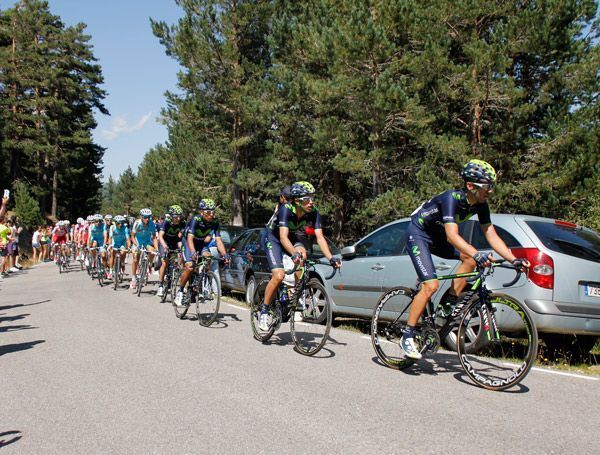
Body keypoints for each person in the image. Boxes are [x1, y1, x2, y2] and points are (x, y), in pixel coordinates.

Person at [401, 159, 529, 359]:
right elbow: (452, 236)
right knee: (431, 286)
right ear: (470, 186)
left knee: (470, 260)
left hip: (437, 238)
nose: (490, 191)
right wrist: (477, 253)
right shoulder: (451, 199)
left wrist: (513, 259)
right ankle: (407, 335)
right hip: (418, 234)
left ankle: (449, 302)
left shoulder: (480, 205)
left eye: (492, 186)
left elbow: (492, 235)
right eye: (487, 186)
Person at [259, 181, 341, 330]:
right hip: (273, 238)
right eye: (306, 199)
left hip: (292, 237)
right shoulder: (286, 209)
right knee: (279, 275)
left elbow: (320, 237)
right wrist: (293, 253)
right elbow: (282, 237)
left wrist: (331, 258)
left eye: (312, 198)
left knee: (303, 255)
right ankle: (264, 310)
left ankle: (296, 295)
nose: (311, 202)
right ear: (297, 200)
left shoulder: (313, 211)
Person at [174, 199, 229, 306]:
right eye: (208, 212)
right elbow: (190, 238)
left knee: (208, 258)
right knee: (190, 266)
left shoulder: (215, 222)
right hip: (189, 242)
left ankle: (197, 283)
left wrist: (225, 254)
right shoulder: (196, 219)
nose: (211, 214)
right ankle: (180, 291)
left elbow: (218, 240)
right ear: (201, 212)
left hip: (201, 243)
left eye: (213, 212)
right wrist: (193, 252)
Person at [156, 205, 185, 298]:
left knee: (180, 258)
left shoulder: (182, 222)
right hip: (164, 241)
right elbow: (160, 236)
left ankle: (179, 281)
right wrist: (164, 246)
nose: (178, 218)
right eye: (176, 216)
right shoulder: (166, 222)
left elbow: (181, 238)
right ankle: (160, 285)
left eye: (180, 216)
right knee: (165, 262)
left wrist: (182, 248)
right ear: (172, 216)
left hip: (174, 241)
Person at [130, 208, 158, 290]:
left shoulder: (152, 224)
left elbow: (154, 237)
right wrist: (136, 245)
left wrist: (156, 248)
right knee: (135, 259)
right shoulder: (137, 223)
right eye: (145, 217)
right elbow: (132, 236)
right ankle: (133, 278)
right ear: (141, 217)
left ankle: (149, 265)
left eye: (149, 217)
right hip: (137, 241)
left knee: (152, 252)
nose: (147, 219)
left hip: (146, 241)